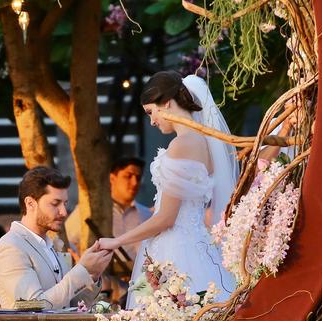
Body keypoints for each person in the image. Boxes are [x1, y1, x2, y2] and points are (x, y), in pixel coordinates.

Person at [97, 71, 237, 308]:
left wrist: (116, 241)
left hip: (176, 252)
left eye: (151, 112)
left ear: (167, 103)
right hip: (198, 247)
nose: (152, 121)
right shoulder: (203, 142)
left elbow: (166, 217)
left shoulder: (182, 145)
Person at [0, 167, 112, 321]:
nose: (64, 212)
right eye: (55, 204)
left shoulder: (50, 244)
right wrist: (82, 271)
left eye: (65, 203)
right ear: (30, 203)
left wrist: (92, 275)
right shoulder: (11, 246)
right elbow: (34, 306)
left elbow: (69, 303)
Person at [65, 157, 153, 304]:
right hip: (98, 291)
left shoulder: (147, 215)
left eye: (138, 177)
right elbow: (67, 242)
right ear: (112, 178)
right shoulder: (90, 212)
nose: (134, 182)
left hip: (139, 293)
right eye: (128, 176)